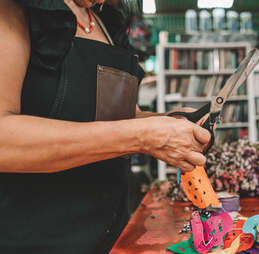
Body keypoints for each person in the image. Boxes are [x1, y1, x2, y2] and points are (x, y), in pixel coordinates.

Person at [0, 0, 211, 253]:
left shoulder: (106, 22)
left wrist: (169, 121)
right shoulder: (13, 9)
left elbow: (117, 117)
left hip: (111, 226)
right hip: (33, 235)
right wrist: (143, 136)